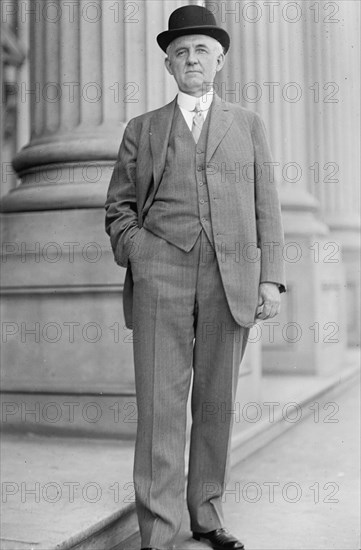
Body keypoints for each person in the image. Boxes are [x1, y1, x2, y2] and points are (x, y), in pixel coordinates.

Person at [105, 5, 286, 550]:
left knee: (215, 402)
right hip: (161, 273)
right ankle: (158, 532)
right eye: (180, 52)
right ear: (168, 64)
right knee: (160, 405)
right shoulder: (143, 129)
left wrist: (270, 279)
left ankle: (206, 517)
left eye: (201, 50)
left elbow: (267, 208)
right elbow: (118, 207)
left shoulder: (248, 125)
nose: (191, 59)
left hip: (231, 277)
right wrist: (141, 252)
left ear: (220, 60)